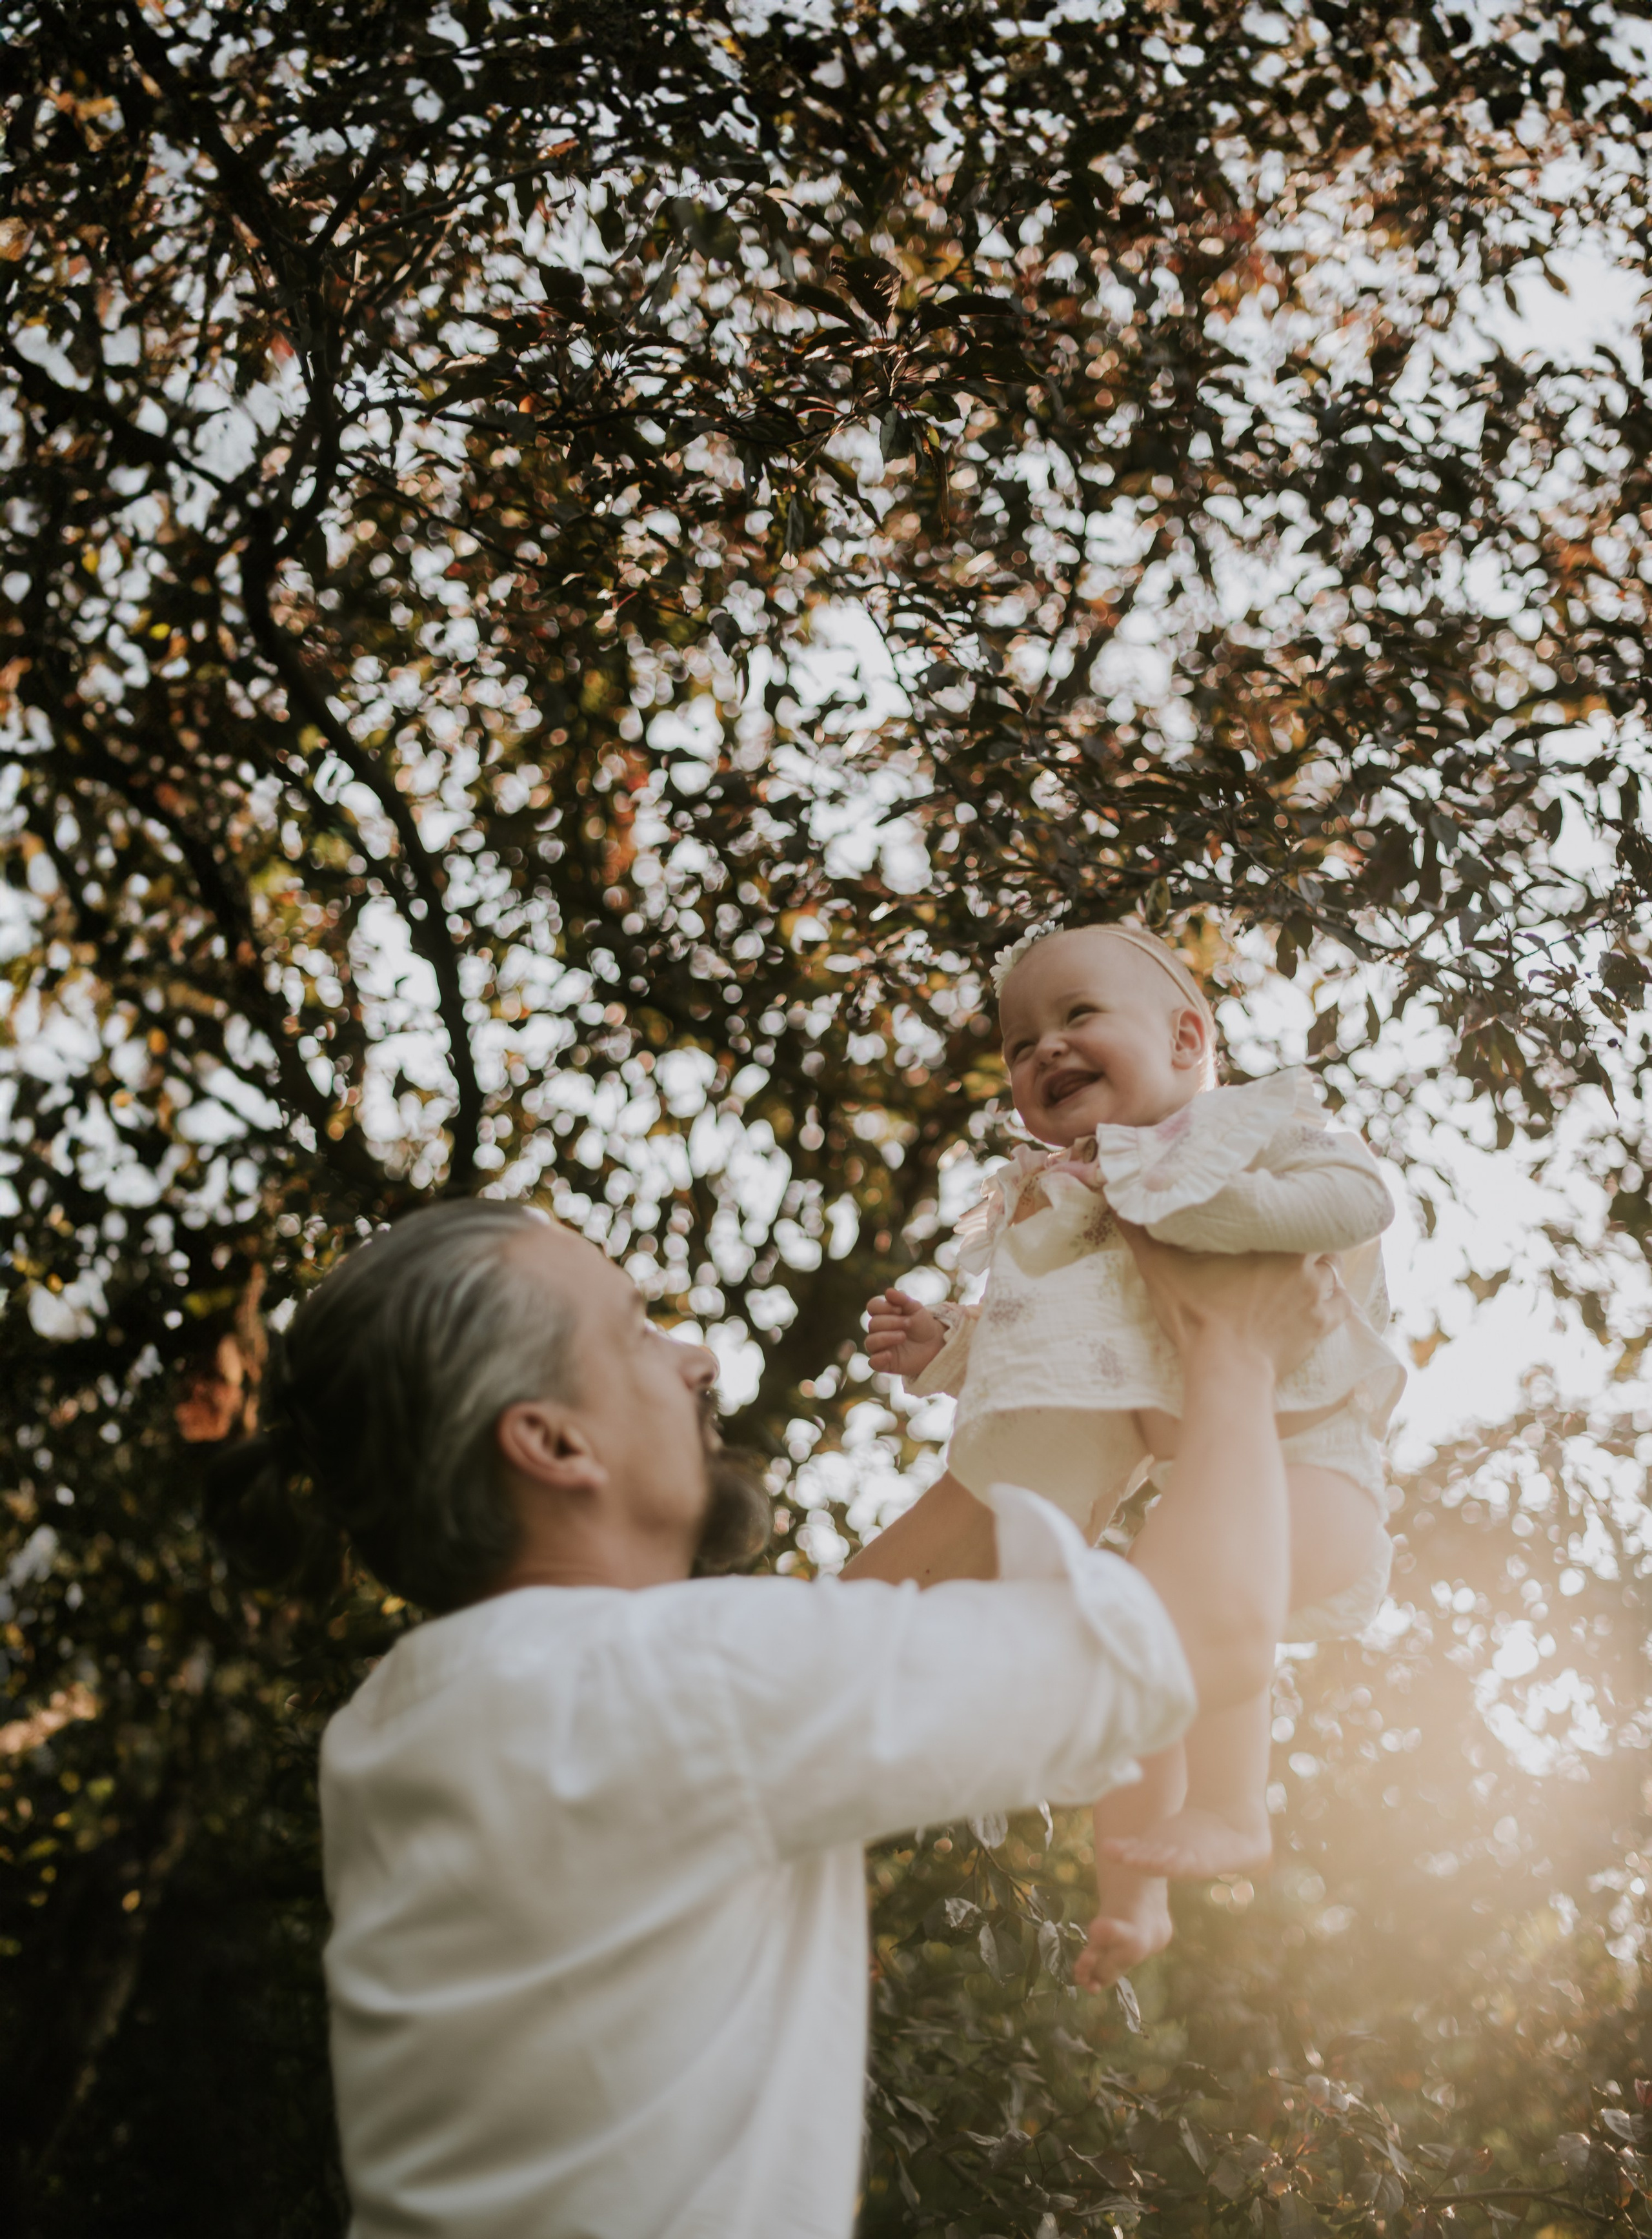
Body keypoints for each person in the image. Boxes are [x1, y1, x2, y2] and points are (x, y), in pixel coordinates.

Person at [208, 1196, 1345, 2239]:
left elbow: (867, 1616)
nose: (697, 1355)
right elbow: (1210, 1636)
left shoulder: (400, 1726)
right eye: (634, 1334)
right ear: (553, 1442)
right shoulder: (684, 1688)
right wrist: (1232, 1352)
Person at [861, 920, 1404, 1981]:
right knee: (1139, 1634)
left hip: (1319, 1466)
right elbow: (1067, 1350)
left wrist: (1217, 1211)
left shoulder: (1249, 1130)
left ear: (1190, 1038)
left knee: (1179, 1611)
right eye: (1019, 1045)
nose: (1045, 1052)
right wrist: (946, 1351)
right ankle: (1138, 1898)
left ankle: (1233, 1803)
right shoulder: (1069, 1192)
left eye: (1077, 1017)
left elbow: (1360, 1197)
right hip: (1204, 1492)